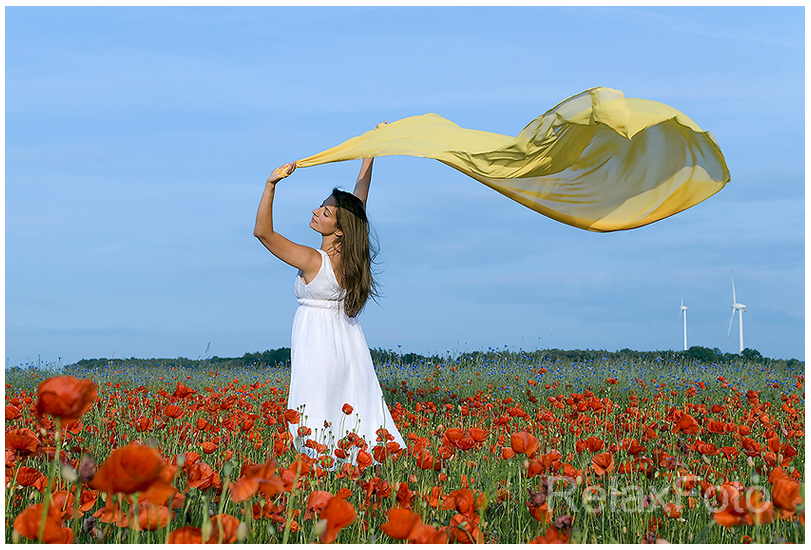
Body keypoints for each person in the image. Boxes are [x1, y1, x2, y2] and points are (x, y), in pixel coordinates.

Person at [254, 152, 405, 464]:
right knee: (349, 404)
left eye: (324, 212)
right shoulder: (352, 259)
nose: (315, 212)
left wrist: (271, 185)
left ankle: (323, 475)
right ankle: (353, 470)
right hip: (348, 341)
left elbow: (263, 233)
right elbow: (358, 204)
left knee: (317, 409)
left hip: (318, 342)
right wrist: (368, 155)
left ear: (339, 229)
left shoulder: (313, 261)